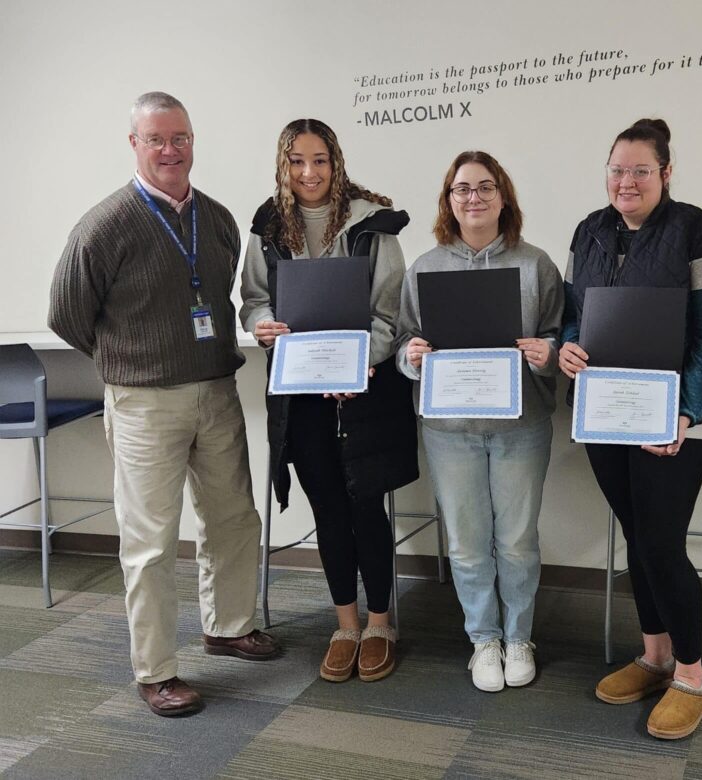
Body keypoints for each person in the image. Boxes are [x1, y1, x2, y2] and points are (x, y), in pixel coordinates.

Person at [48, 91, 278, 717]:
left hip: (216, 390)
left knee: (233, 518)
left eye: (180, 137)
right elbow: (66, 316)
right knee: (150, 541)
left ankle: (228, 625)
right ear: (135, 145)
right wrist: (130, 360)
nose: (170, 150)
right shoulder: (103, 225)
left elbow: (223, 293)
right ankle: (155, 671)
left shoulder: (220, 218)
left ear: (192, 140)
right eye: (156, 140)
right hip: (144, 402)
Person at [559, 119, 702, 739]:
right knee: (638, 537)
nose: (626, 181)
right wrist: (569, 347)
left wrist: (685, 411)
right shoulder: (589, 230)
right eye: (617, 169)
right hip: (607, 412)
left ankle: (691, 675)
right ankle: (655, 655)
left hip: (679, 418)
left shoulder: (697, 229)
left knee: (662, 543)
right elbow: (573, 314)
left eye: (640, 169)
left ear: (666, 173)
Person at [240, 119, 417, 684]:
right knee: (328, 510)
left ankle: (381, 624)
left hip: (364, 387)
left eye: (320, 160)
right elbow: (254, 300)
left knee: (366, 507)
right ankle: (345, 623)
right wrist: (264, 324)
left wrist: (365, 361)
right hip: (302, 396)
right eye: (296, 161)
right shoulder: (267, 225)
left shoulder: (375, 224)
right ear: (282, 165)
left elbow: (391, 313)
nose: (309, 173)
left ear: (337, 162)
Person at [395, 151, 563, 692]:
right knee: (467, 542)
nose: (474, 197)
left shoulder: (536, 264)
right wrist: (411, 356)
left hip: (521, 425)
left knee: (516, 540)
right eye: (462, 189)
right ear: (448, 199)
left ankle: (519, 637)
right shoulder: (424, 267)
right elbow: (403, 342)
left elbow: (564, 337)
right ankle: (483, 639)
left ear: (504, 196)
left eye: (485, 187)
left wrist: (549, 351)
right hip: (450, 431)